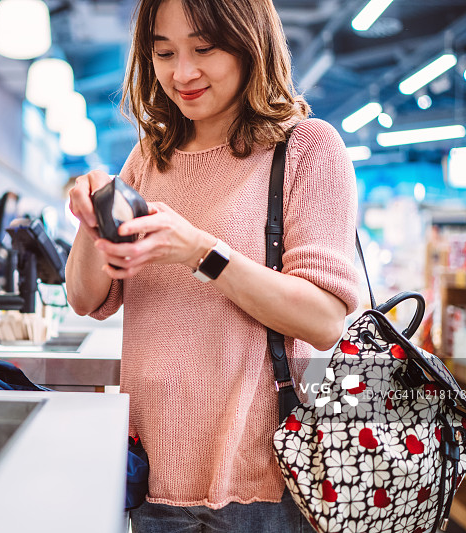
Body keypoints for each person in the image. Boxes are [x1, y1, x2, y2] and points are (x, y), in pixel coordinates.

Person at [65, 0, 359, 531]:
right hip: (152, 476)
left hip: (262, 481)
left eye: (204, 49)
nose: (182, 73)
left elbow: (323, 319)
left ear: (250, 46)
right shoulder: (148, 156)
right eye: (164, 53)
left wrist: (201, 252)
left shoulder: (306, 149)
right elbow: (87, 299)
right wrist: (93, 215)